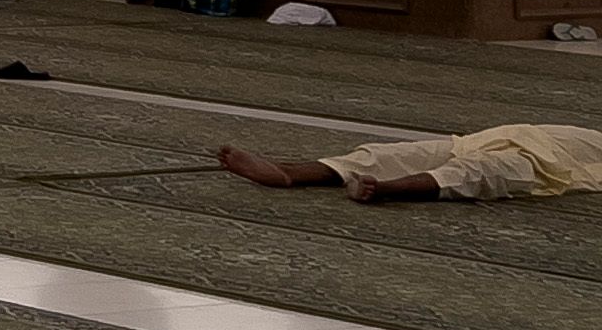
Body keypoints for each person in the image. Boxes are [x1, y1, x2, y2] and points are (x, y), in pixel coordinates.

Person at [217, 125, 602, 202]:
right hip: (493, 136)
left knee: (479, 174)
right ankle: (288, 172)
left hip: (549, 166)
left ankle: (383, 190)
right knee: (385, 154)